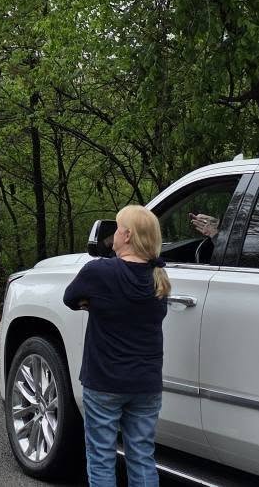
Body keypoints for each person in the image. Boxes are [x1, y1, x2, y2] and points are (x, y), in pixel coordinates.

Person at [64, 204, 170, 487]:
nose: (113, 234)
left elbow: (70, 298)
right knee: (142, 457)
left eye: (118, 227)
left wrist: (93, 303)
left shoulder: (99, 271)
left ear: (127, 235)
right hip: (146, 383)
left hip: (104, 381)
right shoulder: (158, 277)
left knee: (101, 457)